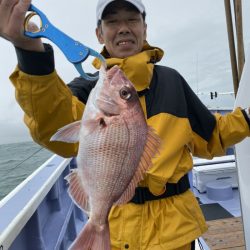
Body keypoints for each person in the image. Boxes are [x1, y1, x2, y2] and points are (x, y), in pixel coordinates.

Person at [0, 0, 250, 249]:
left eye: (132, 19)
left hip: (175, 230)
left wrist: (246, 118)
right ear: (99, 33)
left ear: (144, 29)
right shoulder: (88, 88)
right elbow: (51, 123)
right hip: (116, 232)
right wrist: (30, 52)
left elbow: (212, 135)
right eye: (112, 21)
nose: (123, 28)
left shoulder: (172, 81)